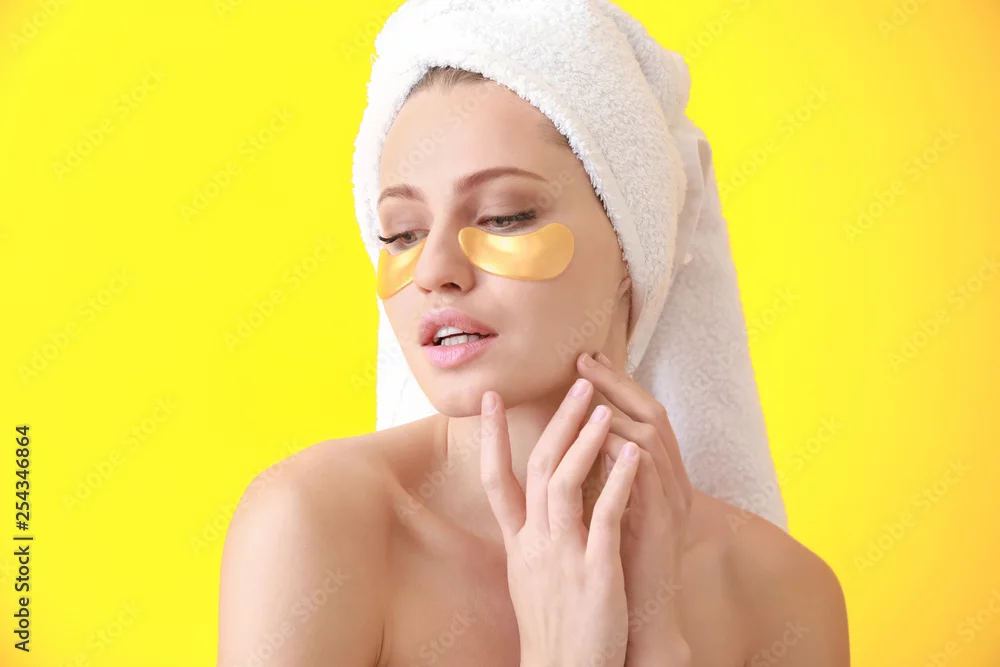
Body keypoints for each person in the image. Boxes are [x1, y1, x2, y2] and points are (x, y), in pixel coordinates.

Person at [217, 60, 849, 666]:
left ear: (634, 246)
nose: (433, 270)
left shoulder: (781, 595)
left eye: (504, 217)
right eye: (403, 233)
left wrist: (657, 642)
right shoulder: (313, 529)